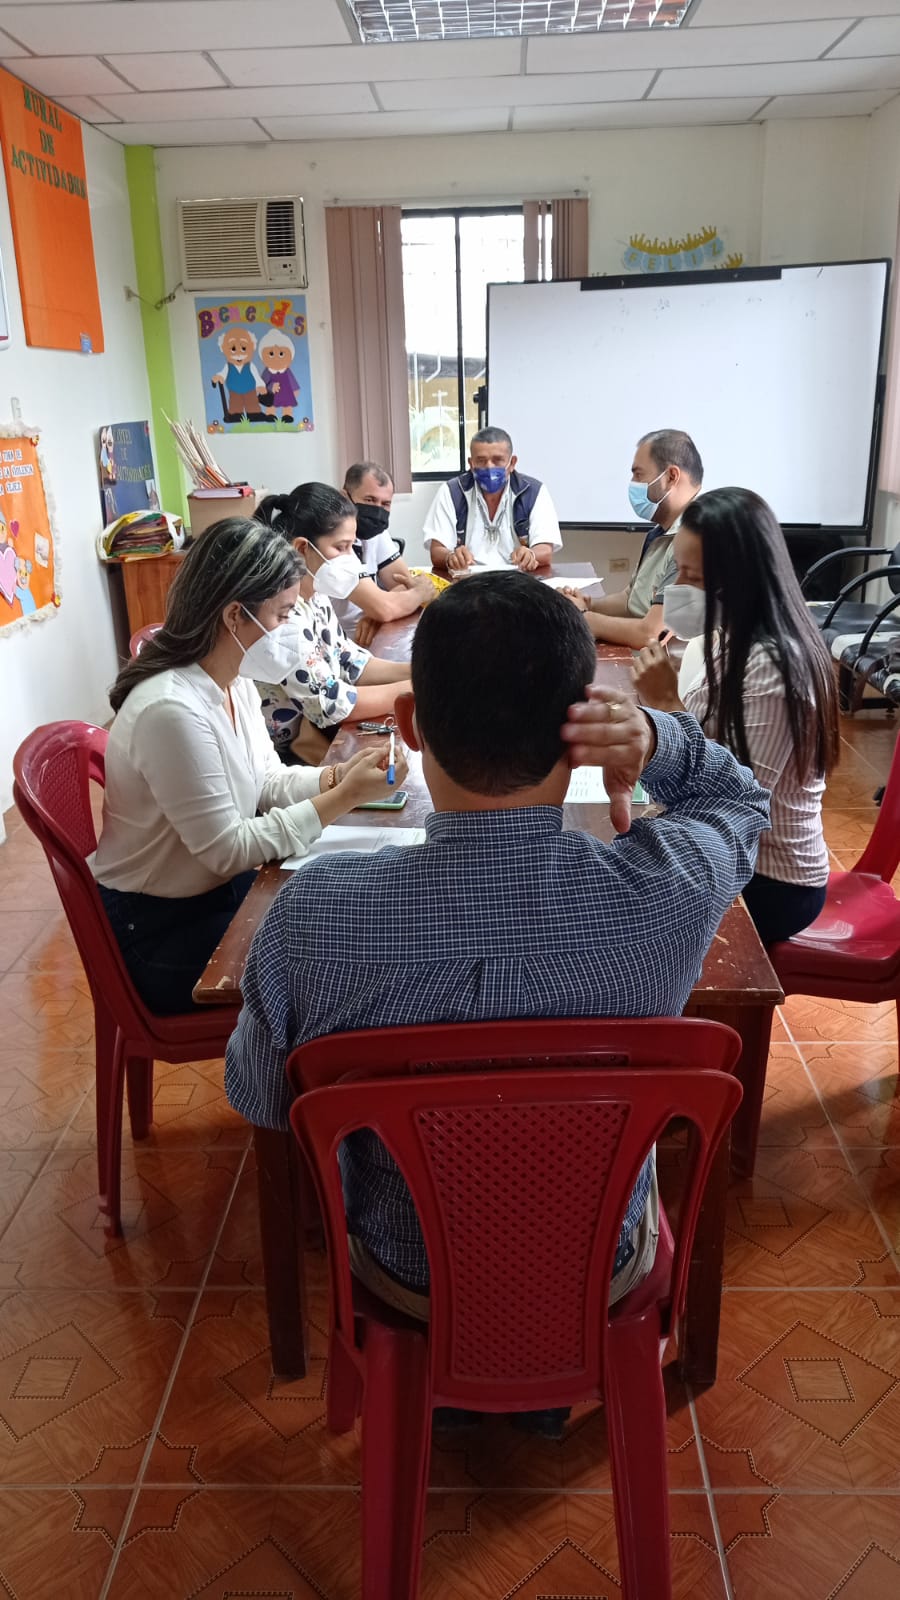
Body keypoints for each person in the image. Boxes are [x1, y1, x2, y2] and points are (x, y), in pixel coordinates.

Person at [226, 573, 769, 1356]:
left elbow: (266, 1098)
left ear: (410, 725)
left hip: (404, 1275)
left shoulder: (311, 915)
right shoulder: (668, 889)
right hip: (602, 1267)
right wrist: (656, 739)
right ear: (582, 730)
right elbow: (743, 803)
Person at [91, 518, 404, 1015]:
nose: (291, 632)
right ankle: (293, 1067)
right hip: (161, 927)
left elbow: (267, 780)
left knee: (350, 911)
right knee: (339, 963)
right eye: (282, 615)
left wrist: (337, 776)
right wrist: (341, 798)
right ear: (235, 615)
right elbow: (227, 849)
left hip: (215, 892)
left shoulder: (232, 679)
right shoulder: (172, 711)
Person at [633, 486, 839, 945]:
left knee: (626, 912)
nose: (679, 588)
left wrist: (665, 706)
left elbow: (732, 804)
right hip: (731, 850)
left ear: (739, 580)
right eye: (679, 571)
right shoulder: (730, 635)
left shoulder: (775, 666)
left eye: (693, 576)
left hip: (773, 881)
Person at [253, 483, 414, 762]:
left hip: (313, 731)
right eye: (341, 547)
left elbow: (349, 660)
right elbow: (331, 705)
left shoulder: (315, 595)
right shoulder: (280, 616)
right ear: (302, 548)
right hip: (282, 755)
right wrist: (417, 688)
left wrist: (420, 671)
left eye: (352, 546)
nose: (351, 559)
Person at [565, 429, 702, 648]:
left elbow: (652, 634)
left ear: (671, 477)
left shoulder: (695, 538)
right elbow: (631, 600)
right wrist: (586, 605)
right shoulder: (658, 533)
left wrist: (584, 618)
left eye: (638, 475)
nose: (632, 483)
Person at [424, 426, 562, 573]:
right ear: (471, 464)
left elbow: (545, 550)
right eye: (481, 461)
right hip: (468, 579)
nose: (489, 467)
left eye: (498, 460)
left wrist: (530, 555)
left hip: (518, 578)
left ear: (512, 463)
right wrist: (451, 557)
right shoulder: (451, 491)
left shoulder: (534, 491)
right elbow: (437, 551)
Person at [342, 460, 435, 648]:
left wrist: (380, 610)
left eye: (385, 504)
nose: (377, 511)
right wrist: (383, 608)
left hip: (373, 637)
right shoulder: (334, 542)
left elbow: (405, 583)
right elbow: (408, 595)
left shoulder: (377, 534)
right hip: (341, 642)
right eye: (369, 500)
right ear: (345, 497)